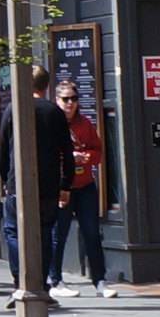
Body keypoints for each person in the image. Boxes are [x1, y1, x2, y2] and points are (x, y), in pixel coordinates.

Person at [26, 64, 78, 302]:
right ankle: (45, 281)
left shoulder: (16, 110)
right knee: (46, 231)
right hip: (49, 183)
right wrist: (66, 184)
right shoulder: (54, 113)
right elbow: (66, 152)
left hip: (22, 183)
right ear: (47, 87)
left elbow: (4, 150)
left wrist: (7, 178)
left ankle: (24, 280)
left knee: (17, 231)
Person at [51, 78, 108, 295]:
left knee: (92, 232)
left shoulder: (85, 124)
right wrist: (68, 157)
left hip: (85, 186)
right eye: (65, 99)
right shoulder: (52, 122)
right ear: (57, 100)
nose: (70, 103)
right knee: (59, 233)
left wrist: (86, 157)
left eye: (74, 99)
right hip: (62, 186)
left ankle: (100, 280)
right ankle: (55, 279)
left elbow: (98, 151)